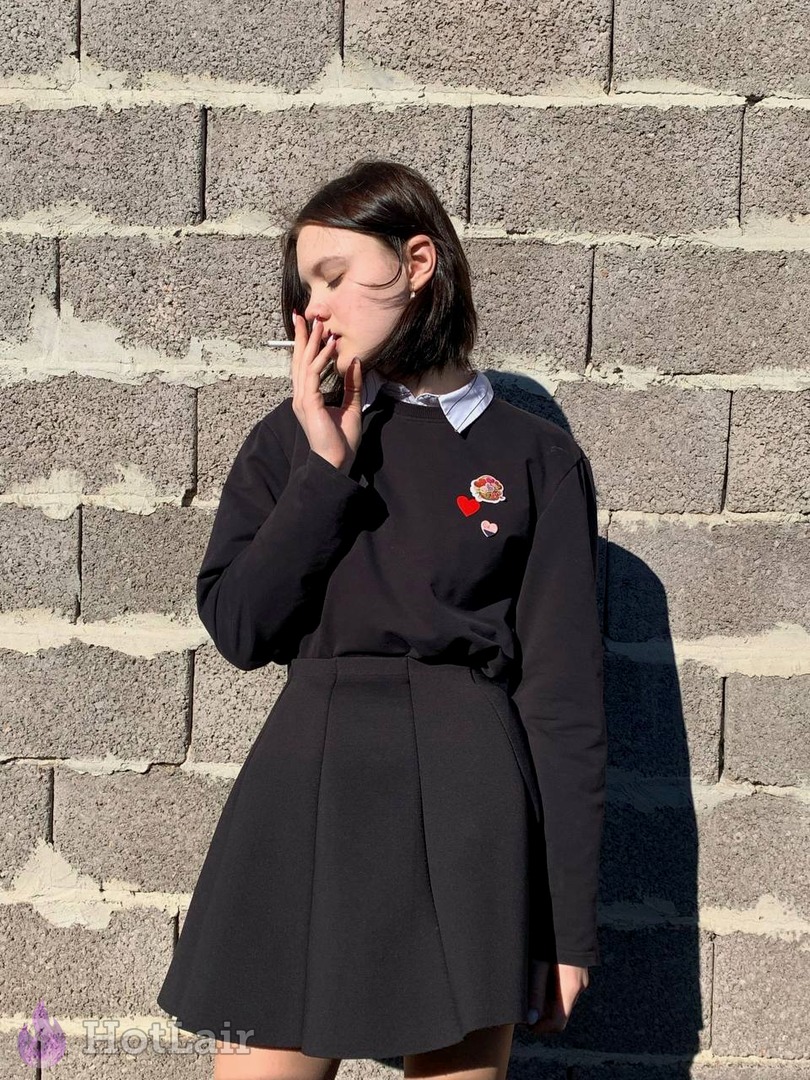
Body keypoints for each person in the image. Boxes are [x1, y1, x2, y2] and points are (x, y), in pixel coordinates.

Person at [156, 159, 607, 1080]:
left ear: (416, 261)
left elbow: (564, 706)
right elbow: (241, 629)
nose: (314, 307)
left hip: (468, 796)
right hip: (305, 785)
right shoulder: (291, 439)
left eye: (334, 275)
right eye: (302, 287)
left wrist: (569, 928)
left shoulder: (537, 459)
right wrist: (327, 466)